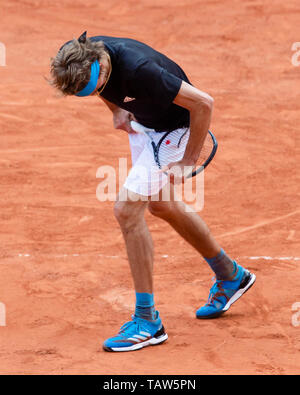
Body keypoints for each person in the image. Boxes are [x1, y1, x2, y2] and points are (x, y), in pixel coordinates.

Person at [49, 31, 256, 352]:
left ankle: (148, 321)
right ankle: (231, 275)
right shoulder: (75, 56)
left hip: (178, 130)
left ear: (100, 64)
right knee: (161, 205)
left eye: (99, 84)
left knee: (126, 209)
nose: (99, 90)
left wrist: (188, 160)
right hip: (144, 125)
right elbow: (102, 88)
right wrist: (116, 110)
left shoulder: (140, 70)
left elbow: (203, 102)